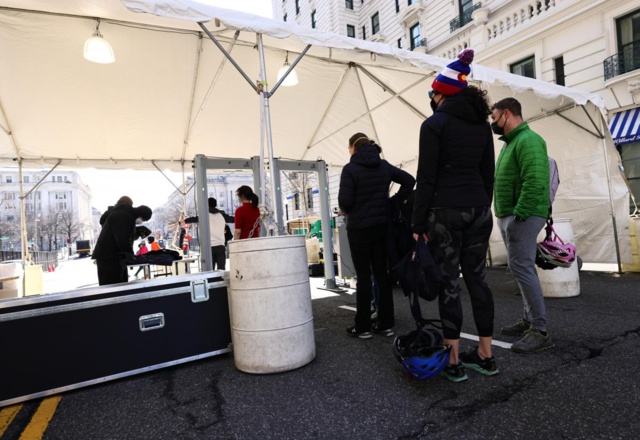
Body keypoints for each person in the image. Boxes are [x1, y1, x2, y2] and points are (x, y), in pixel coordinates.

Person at [411, 49, 498, 382]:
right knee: (478, 279)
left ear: (441, 92)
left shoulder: (433, 125)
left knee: (450, 283)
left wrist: (418, 224)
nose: (430, 98)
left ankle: (454, 361)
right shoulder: (481, 127)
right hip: (478, 210)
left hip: (445, 214)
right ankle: (487, 356)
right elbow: (487, 173)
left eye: (432, 92)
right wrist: (481, 205)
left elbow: (427, 178)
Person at [491, 97, 554, 354]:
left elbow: (536, 180)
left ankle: (539, 330)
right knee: (520, 268)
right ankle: (529, 320)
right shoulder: (512, 143)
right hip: (512, 214)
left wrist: (520, 214)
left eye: (494, 118)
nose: (492, 123)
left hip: (522, 216)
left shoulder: (529, 140)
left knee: (522, 267)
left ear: (507, 114)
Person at [339, 133, 415, 339]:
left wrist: (352, 208)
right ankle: (385, 324)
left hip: (358, 231)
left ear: (353, 147)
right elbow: (409, 180)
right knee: (382, 275)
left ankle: (363, 327)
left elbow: (345, 203)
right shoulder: (384, 166)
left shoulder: (350, 169)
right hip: (382, 228)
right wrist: (393, 202)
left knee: (364, 277)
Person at [92, 202, 152, 286]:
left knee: (120, 286)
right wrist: (131, 257)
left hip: (113, 257)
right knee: (113, 288)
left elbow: (123, 236)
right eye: (143, 219)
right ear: (140, 214)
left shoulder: (127, 216)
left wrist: (136, 233)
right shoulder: (123, 216)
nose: (142, 221)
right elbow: (122, 239)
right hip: (109, 259)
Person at [181, 197, 230, 270]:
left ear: (206, 205)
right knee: (221, 270)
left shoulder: (204, 216)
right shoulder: (222, 215)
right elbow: (233, 219)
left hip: (209, 247)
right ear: (216, 205)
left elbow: (192, 219)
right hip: (221, 246)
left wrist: (179, 223)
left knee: (210, 270)